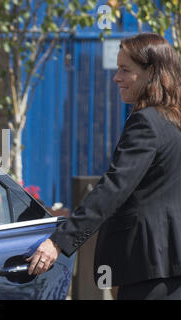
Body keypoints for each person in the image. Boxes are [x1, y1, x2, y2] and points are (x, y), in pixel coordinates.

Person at [27, 33, 181, 300]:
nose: (116, 78)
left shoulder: (146, 122)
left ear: (151, 73)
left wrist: (59, 241)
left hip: (149, 266)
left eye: (125, 70)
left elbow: (113, 188)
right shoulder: (173, 120)